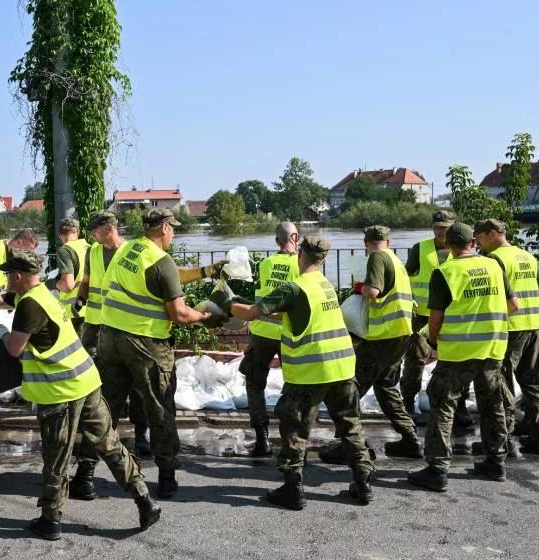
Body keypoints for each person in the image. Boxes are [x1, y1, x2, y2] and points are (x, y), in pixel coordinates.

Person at [0, 249, 161, 540]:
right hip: (87, 383)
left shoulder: (30, 307)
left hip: (61, 393)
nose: (4, 279)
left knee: (57, 456)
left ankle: (50, 521)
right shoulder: (41, 293)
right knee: (110, 445)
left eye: (7, 275)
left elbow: (14, 348)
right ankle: (145, 499)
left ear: (17, 276)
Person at [226, 236, 374, 510]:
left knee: (294, 429)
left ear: (299, 256)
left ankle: (293, 489)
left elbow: (250, 313)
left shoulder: (294, 288)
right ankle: (362, 484)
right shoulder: (325, 285)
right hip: (342, 368)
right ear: (324, 260)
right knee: (350, 426)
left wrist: (224, 303)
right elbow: (292, 315)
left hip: (310, 372)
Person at [86, 207, 225, 499]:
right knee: (160, 409)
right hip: (146, 344)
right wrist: (204, 316)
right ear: (163, 228)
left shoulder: (128, 251)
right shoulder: (160, 260)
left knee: (104, 408)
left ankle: (84, 474)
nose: (173, 232)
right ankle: (166, 476)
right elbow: (178, 313)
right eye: (172, 227)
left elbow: (168, 276)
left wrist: (207, 272)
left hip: (110, 337)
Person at [407, 223, 519, 491]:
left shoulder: (445, 272)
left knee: (443, 405)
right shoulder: (494, 266)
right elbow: (514, 306)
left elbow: (435, 319)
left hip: (458, 352)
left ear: (448, 245)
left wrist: (433, 341)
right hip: (493, 349)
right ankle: (496, 462)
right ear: (473, 243)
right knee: (492, 404)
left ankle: (437, 469)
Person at [322, 225, 421, 462]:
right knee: (386, 389)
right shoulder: (396, 260)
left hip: (381, 338)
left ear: (366, 243)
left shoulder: (376, 258)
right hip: (400, 334)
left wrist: (360, 287)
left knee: (347, 389)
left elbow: (373, 292)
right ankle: (411, 440)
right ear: (388, 241)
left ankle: (351, 446)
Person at [69, 211, 152, 473]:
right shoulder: (93, 252)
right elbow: (87, 280)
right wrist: (81, 298)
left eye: (96, 230)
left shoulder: (130, 253)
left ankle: (141, 434)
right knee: (96, 378)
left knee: (137, 383)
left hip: (123, 323)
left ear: (110, 228)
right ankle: (101, 431)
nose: (92, 235)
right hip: (95, 323)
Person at [475, 219, 539, 455]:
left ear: (493, 234)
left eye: (480, 238)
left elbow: (496, 298)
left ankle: (505, 439)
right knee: (533, 381)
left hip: (510, 329)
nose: (478, 244)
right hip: (534, 326)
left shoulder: (495, 259)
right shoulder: (527, 256)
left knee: (503, 382)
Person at [402, 210, 472, 429]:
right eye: (438, 227)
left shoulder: (463, 251)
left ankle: (460, 407)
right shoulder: (420, 249)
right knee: (415, 361)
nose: (441, 231)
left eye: (445, 227)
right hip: (424, 316)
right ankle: (408, 405)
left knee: (458, 362)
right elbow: (406, 277)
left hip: (455, 316)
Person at [239, 221, 300, 457]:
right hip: (289, 334)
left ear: (276, 241)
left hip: (262, 332)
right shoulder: (300, 265)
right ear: (296, 238)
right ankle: (291, 440)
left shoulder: (266, 264)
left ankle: (262, 438)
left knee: (255, 383)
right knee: (294, 385)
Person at [55, 217, 90, 334]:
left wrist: (53, 283)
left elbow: (67, 286)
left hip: (74, 312)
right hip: (93, 310)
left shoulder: (65, 250)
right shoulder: (90, 248)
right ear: (78, 232)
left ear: (59, 234)